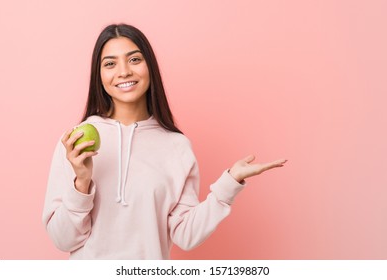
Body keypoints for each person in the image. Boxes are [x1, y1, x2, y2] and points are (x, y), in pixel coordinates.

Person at [42, 23, 287, 260]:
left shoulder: (176, 147)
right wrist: (81, 182)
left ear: (150, 67)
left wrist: (229, 183)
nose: (124, 71)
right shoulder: (75, 142)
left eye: (135, 59)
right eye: (110, 64)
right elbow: (63, 240)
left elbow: (186, 235)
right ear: (99, 74)